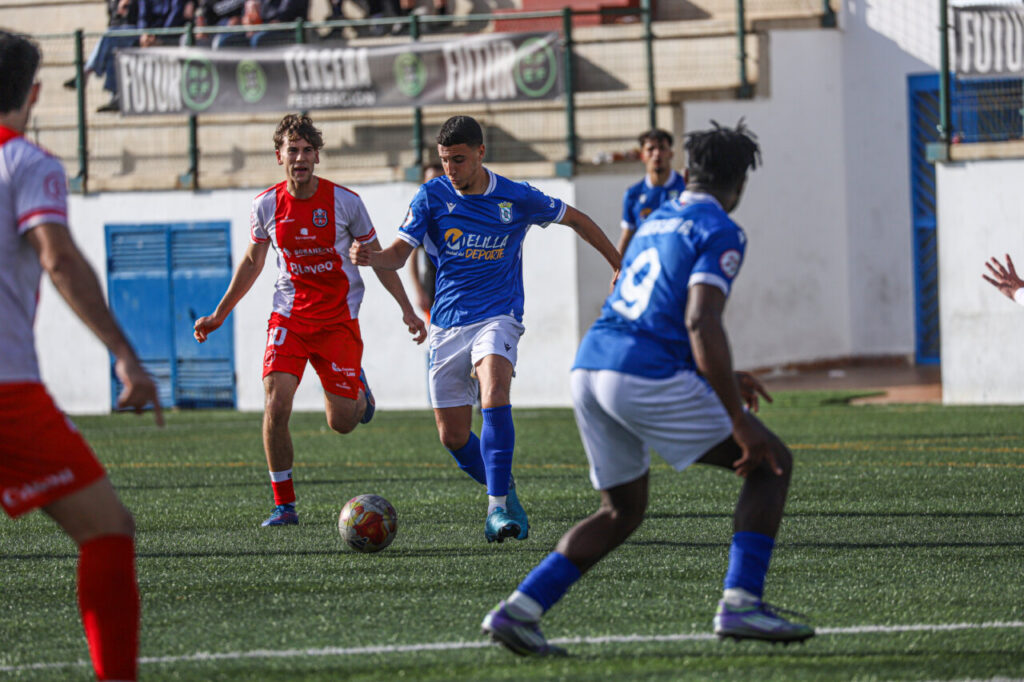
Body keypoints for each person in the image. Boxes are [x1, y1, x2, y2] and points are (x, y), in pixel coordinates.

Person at [480, 121, 815, 656]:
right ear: (739, 184)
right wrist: (738, 418)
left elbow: (656, 315)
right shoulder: (721, 229)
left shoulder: (655, 219)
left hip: (591, 366)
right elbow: (700, 321)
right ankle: (742, 602)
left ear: (688, 171)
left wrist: (719, 376)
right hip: (640, 373)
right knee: (770, 464)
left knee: (622, 510)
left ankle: (518, 611)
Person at [349, 115, 621, 543]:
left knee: (494, 389)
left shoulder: (517, 196)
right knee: (453, 436)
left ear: (481, 153)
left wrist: (618, 264)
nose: (450, 170)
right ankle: (503, 486)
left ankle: (496, 509)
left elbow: (578, 220)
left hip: (499, 314)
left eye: (458, 160)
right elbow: (399, 255)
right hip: (447, 323)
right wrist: (372, 257)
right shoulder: (432, 195)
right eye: (444, 160)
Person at [0, 31, 163, 681]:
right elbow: (58, 258)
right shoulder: (26, 163)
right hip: (7, 391)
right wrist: (125, 354)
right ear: (35, 93)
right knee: (106, 529)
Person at [194, 114, 426, 528]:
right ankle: (284, 505)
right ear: (279, 156)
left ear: (317, 156)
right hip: (290, 317)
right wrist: (219, 314)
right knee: (275, 402)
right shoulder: (265, 205)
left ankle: (359, 392)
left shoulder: (346, 203)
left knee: (342, 423)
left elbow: (377, 258)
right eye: (292, 150)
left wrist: (406, 309)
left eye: (307, 150)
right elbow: (252, 262)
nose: (299, 158)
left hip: (337, 321)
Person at [616, 128, 687, 257]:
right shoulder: (633, 194)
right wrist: (617, 265)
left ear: (671, 154)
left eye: (662, 148)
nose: (657, 153)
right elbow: (627, 235)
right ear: (642, 156)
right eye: (651, 149)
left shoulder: (685, 188)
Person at [63, 0, 139, 113]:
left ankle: (86, 72)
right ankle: (115, 97)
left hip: (135, 31)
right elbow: (113, 19)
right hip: (117, 34)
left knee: (110, 37)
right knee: (111, 51)